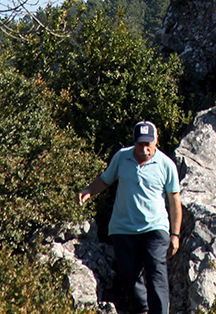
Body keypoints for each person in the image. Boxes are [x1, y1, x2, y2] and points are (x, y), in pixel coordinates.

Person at [78, 120, 182, 314]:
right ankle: (142, 310)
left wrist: (175, 234)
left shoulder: (166, 164)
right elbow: (105, 179)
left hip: (155, 228)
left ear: (156, 140)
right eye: (140, 144)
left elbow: (174, 201)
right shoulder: (122, 157)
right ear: (134, 142)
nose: (144, 149)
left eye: (148, 144)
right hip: (123, 229)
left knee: (156, 273)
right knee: (128, 277)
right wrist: (89, 191)